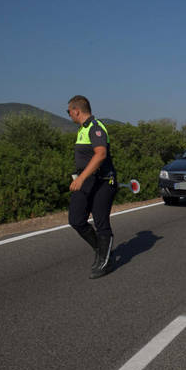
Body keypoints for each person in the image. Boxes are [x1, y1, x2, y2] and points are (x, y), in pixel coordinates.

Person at [67, 95, 118, 278]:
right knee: (76, 219)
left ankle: (105, 262)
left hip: (103, 181)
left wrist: (81, 179)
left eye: (68, 111)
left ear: (76, 110)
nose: (69, 115)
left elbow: (101, 154)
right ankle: (102, 250)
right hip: (87, 180)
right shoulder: (83, 129)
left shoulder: (96, 128)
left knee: (100, 220)